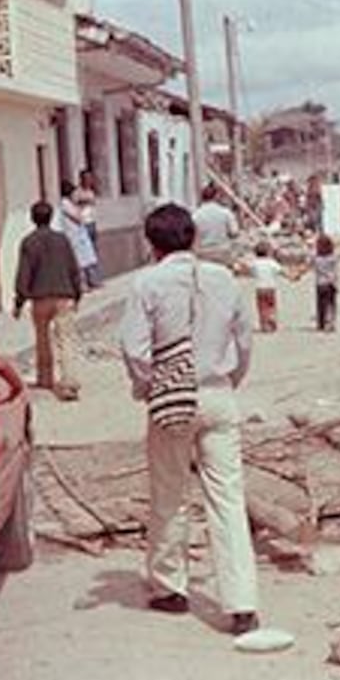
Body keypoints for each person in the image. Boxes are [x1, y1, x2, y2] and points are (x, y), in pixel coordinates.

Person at [118, 204, 261, 637]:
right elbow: (244, 339)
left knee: (169, 492)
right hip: (218, 394)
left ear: (151, 243)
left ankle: (170, 587)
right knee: (228, 498)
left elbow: (134, 349)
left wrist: (152, 386)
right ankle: (241, 602)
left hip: (171, 398)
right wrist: (230, 379)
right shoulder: (224, 279)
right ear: (193, 238)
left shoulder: (146, 283)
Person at [13, 201, 82, 401]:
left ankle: (45, 378)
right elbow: (73, 268)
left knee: (42, 339)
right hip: (64, 295)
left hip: (40, 298)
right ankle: (69, 383)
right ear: (51, 217)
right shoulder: (63, 240)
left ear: (32, 219)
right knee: (66, 340)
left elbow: (24, 274)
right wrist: (77, 293)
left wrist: (19, 301)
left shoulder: (29, 242)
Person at [57, 181, 100, 292]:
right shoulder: (65, 204)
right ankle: (82, 285)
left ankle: (88, 283)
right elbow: (78, 217)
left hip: (78, 235)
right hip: (73, 236)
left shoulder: (70, 204)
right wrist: (80, 206)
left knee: (85, 260)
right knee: (79, 261)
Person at [192, 183, 239, 267]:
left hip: (203, 254)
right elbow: (234, 232)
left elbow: (193, 237)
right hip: (222, 252)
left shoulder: (195, 215)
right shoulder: (225, 213)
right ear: (216, 196)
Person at [245, 242, 283, 333]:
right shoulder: (271, 263)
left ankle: (264, 324)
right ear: (268, 252)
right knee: (271, 305)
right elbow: (281, 271)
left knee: (262, 307)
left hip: (260, 288)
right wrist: (292, 276)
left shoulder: (255, 263)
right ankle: (271, 318)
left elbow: (249, 271)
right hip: (271, 287)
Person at [74, 170, 102, 288]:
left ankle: (95, 279)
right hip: (82, 224)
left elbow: (93, 204)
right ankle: (85, 280)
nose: (89, 181)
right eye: (86, 178)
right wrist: (83, 201)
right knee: (85, 252)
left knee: (93, 252)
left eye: (90, 178)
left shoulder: (91, 192)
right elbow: (75, 204)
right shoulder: (77, 192)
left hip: (92, 222)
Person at [311, 234, 338, 332]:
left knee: (320, 305)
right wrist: (337, 284)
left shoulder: (316, 258)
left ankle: (321, 323)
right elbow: (335, 272)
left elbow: (307, 266)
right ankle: (330, 322)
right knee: (331, 304)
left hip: (320, 284)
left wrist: (296, 275)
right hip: (330, 283)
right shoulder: (333, 258)